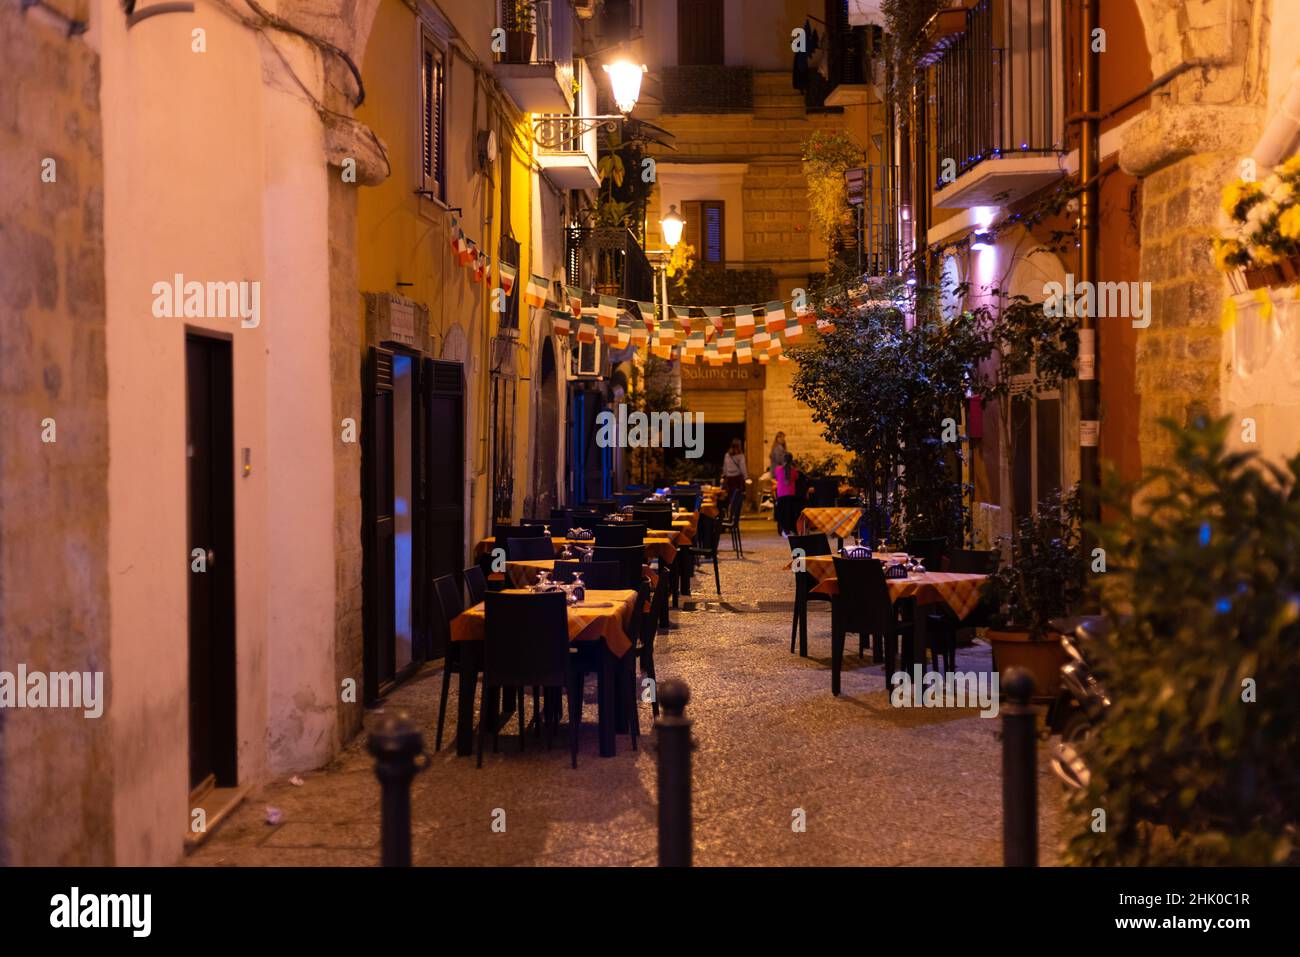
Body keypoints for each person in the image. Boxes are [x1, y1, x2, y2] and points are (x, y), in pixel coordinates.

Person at [775, 453, 804, 536]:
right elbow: (797, 477)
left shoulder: (778, 470)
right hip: (791, 494)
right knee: (790, 512)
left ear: (783, 460)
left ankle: (784, 530)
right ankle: (792, 529)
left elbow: (777, 478)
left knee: (782, 513)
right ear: (791, 461)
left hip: (781, 494)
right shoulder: (794, 471)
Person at [722, 438, 748, 504]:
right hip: (737, 478)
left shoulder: (727, 455)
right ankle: (735, 512)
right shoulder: (741, 455)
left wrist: (724, 476)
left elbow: (725, 466)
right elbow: (743, 467)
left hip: (729, 478)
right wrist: (746, 477)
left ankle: (730, 510)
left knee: (730, 495)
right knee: (738, 495)